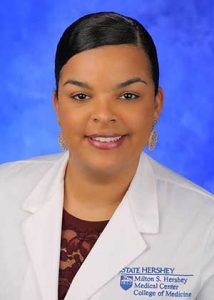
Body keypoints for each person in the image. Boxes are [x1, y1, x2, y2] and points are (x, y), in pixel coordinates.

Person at [0, 11, 213, 300]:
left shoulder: (204, 226)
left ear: (156, 105)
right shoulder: (4, 192)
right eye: (80, 96)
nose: (103, 115)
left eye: (128, 96)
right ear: (57, 106)